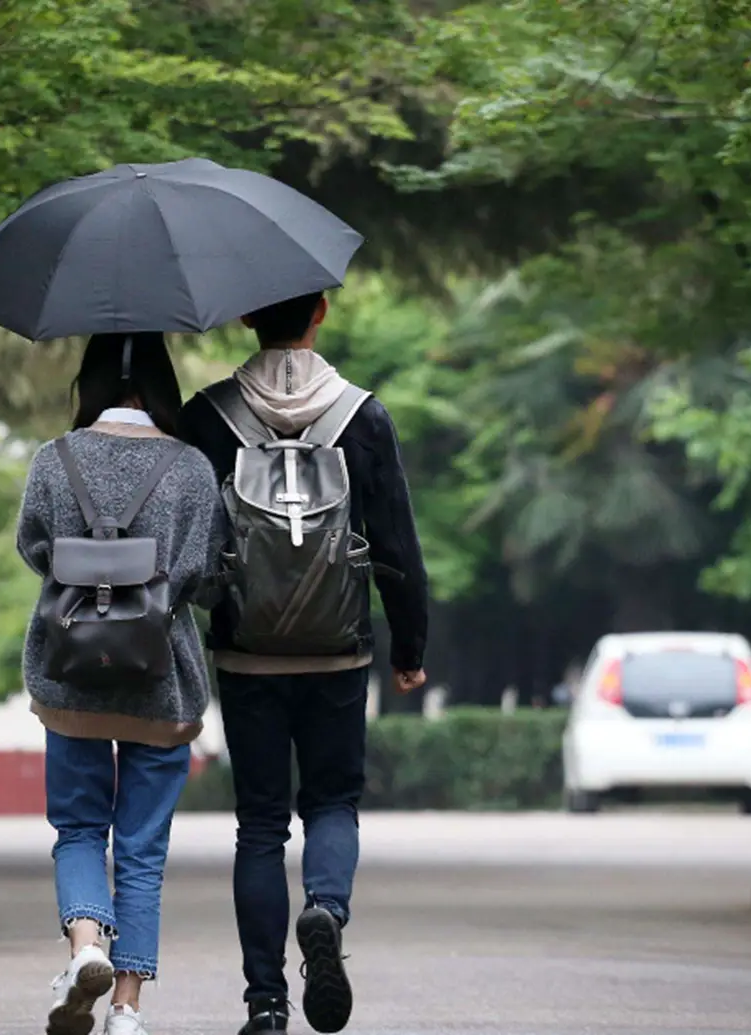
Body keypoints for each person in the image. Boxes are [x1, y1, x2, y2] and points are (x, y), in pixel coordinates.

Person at [179, 292, 429, 1035]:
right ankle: (324, 907)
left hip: (249, 653)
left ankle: (265, 1005)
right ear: (321, 311)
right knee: (330, 802)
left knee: (259, 825)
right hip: (338, 650)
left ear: (246, 317)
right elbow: (396, 543)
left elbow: (192, 541)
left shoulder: (209, 415)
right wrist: (409, 648)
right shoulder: (364, 414)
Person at [17, 332, 227, 1035]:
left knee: (79, 827)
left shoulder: (55, 458)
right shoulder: (192, 468)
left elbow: (33, 548)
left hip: (69, 678)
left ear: (91, 382)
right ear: (159, 388)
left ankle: (85, 949)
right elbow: (201, 571)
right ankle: (128, 1010)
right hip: (161, 684)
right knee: (142, 848)